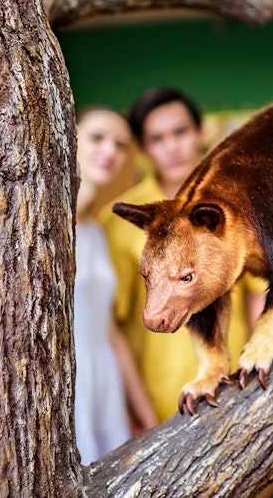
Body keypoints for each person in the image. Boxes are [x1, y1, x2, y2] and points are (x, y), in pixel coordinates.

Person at [101, 87, 266, 422]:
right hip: (157, 398)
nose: (172, 147)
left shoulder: (236, 207)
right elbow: (112, 327)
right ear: (144, 149)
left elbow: (257, 295)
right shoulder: (121, 221)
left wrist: (257, 374)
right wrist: (135, 413)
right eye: (157, 139)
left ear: (200, 132)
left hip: (232, 384)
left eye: (180, 132)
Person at [73, 106, 158, 464]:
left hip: (103, 381)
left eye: (121, 144)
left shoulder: (94, 231)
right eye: (97, 138)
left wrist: (149, 419)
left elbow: (109, 332)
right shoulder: (40, 228)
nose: (110, 151)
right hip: (68, 382)